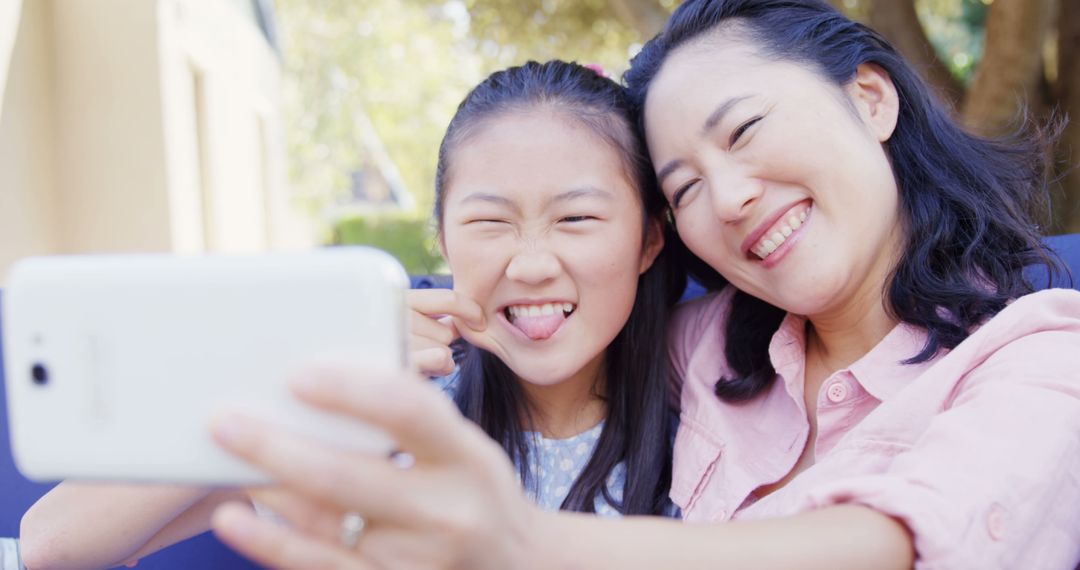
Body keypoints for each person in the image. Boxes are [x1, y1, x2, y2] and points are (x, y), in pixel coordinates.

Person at [205, 0, 1080, 569]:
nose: (730, 199)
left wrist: (518, 542)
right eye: (685, 186)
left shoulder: (1041, 359)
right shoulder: (703, 349)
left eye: (744, 131)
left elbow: (886, 543)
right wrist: (322, 360)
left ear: (870, 100)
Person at [17, 60, 680, 570]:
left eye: (577, 219)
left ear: (649, 238)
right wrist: (297, 371)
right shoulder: (371, 420)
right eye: (489, 221)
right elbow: (52, 544)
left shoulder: (717, 421)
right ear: (444, 242)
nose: (532, 263)